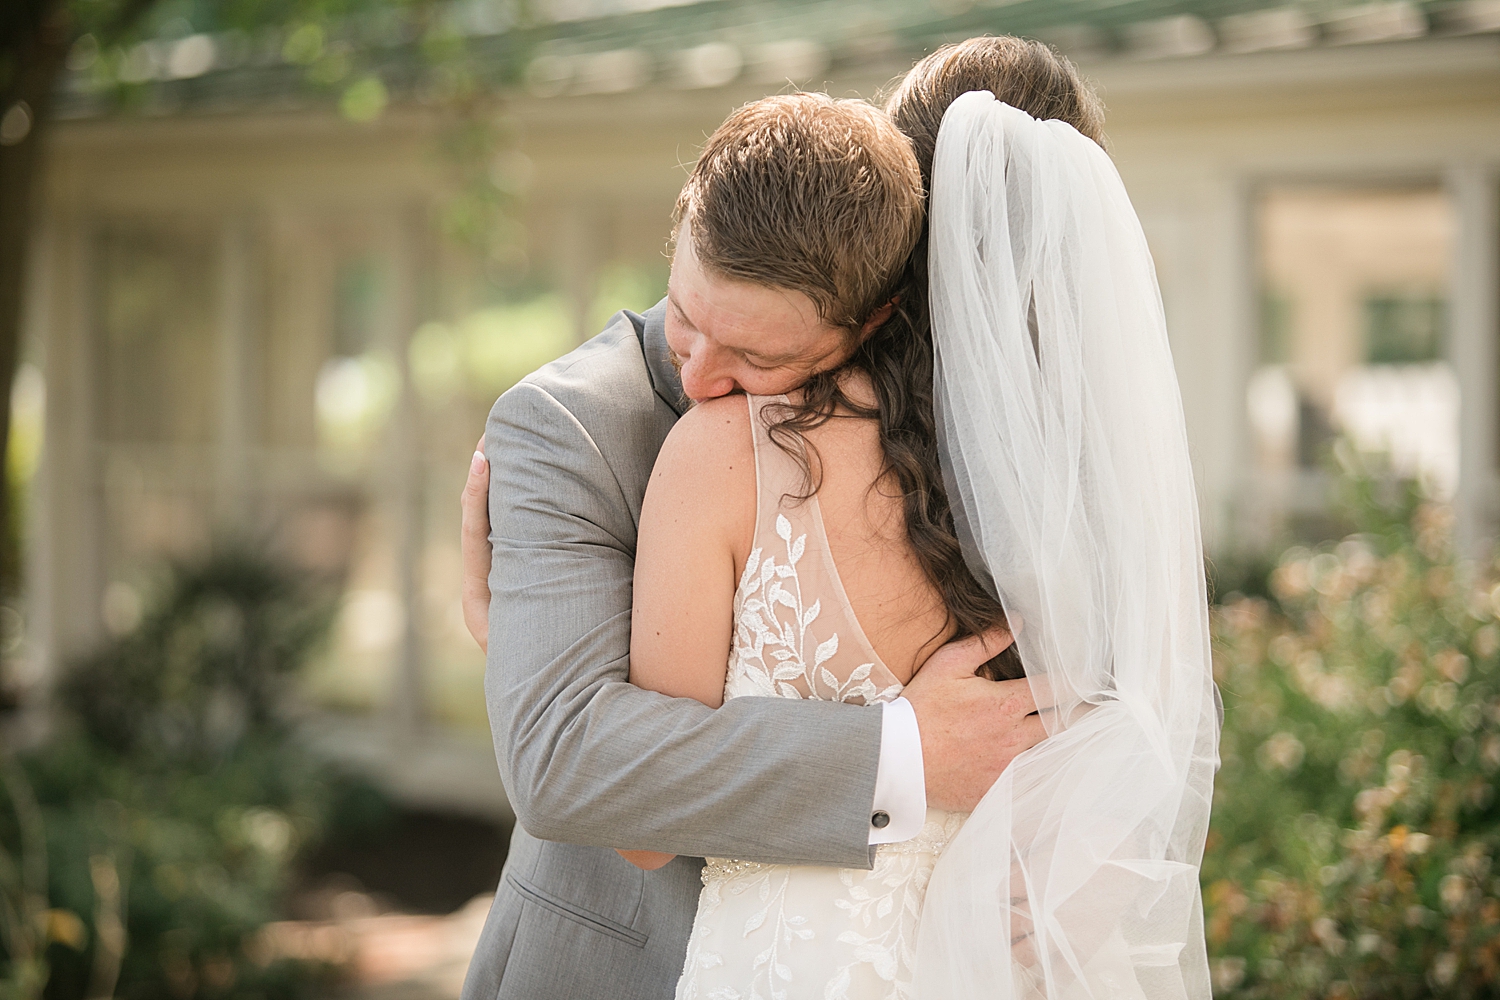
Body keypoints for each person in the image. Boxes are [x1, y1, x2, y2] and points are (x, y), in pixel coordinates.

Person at [458, 84, 1042, 1000]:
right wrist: (904, 755)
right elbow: (567, 762)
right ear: (685, 219)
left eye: (757, 359)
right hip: (614, 969)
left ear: (873, 320)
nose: (694, 374)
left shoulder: (953, 426)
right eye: (687, 314)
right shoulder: (564, 426)